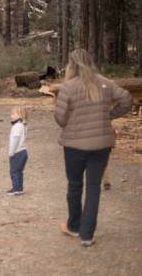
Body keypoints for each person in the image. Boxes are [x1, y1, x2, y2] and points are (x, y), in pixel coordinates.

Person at [55, 49, 132, 247]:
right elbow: (127, 100)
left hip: (74, 146)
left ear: (71, 65)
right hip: (101, 145)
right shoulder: (106, 83)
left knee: (74, 185)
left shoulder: (68, 87)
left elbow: (61, 119)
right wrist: (110, 115)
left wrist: (73, 121)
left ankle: (74, 226)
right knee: (93, 188)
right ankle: (87, 235)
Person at [7, 105, 28, 196]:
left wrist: (11, 152)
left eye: (13, 114)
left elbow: (15, 140)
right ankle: (19, 188)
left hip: (17, 152)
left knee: (14, 171)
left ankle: (16, 189)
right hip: (23, 151)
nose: (11, 115)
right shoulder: (22, 125)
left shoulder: (17, 126)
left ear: (20, 115)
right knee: (19, 171)